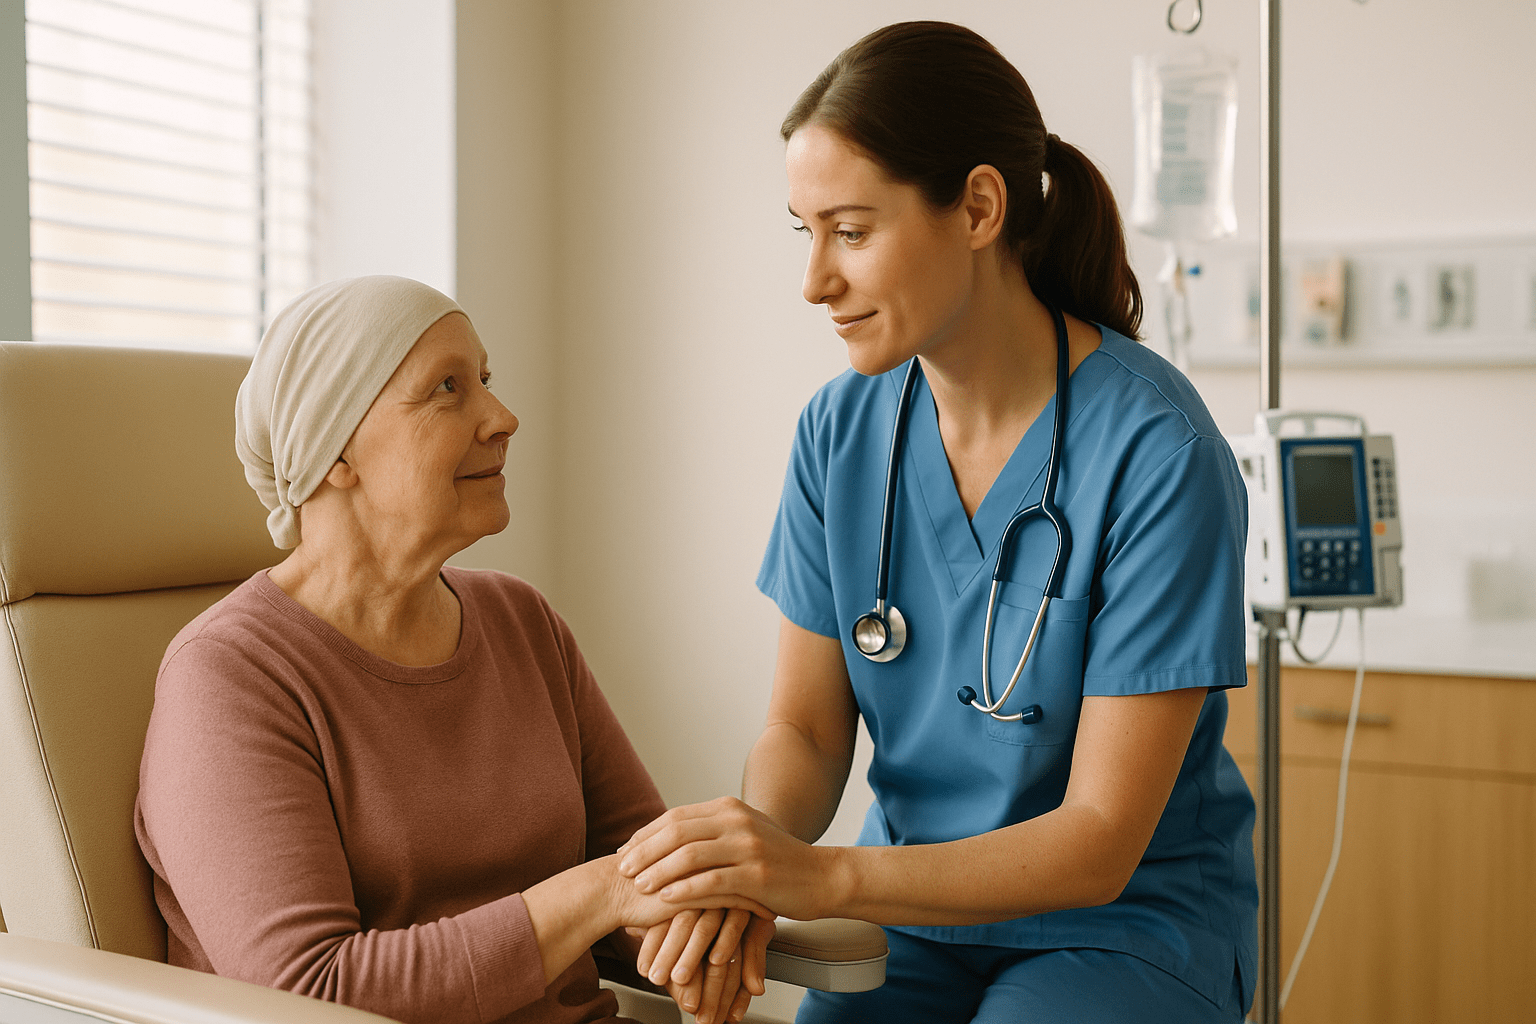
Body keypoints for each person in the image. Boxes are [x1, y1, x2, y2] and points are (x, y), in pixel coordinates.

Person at [615, 21, 1257, 1023]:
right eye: (806, 230)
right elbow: (806, 730)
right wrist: (750, 861)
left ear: (979, 207)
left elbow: (1098, 837)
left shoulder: (1159, 454)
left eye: (853, 231)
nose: (815, 280)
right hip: (912, 914)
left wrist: (819, 879)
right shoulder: (841, 430)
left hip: (1125, 923)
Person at [135, 276, 772, 1024]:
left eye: (487, 381)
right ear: (333, 451)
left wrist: (702, 927)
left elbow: (646, 870)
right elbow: (309, 992)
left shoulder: (522, 621)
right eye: (446, 388)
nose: (503, 418)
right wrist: (600, 893)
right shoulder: (229, 676)